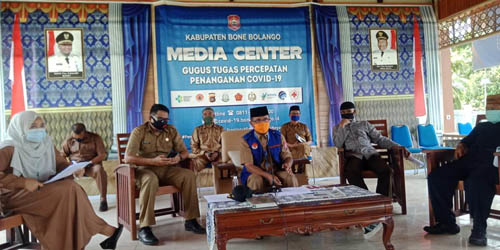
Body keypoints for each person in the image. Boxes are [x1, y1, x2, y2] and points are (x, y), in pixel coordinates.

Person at [0, 111, 122, 250]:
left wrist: (73, 169)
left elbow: (60, 163)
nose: (39, 130)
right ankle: (105, 230)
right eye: (33, 126)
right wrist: (23, 182)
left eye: (42, 125)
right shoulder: (9, 148)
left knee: (72, 191)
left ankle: (94, 235)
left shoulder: (46, 144)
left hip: (41, 190)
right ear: (20, 127)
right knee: (68, 190)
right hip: (15, 196)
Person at [424, 94, 500, 246]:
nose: (489, 111)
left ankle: (479, 228)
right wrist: (461, 145)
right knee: (437, 177)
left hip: (492, 164)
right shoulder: (482, 126)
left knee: (476, 182)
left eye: (494, 108)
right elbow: (466, 141)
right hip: (469, 160)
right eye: (488, 108)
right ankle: (446, 222)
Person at [125, 104, 205, 246]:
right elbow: (128, 158)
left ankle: (191, 220)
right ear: (151, 118)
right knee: (150, 180)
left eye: (166, 120)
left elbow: (184, 152)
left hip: (167, 168)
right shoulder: (139, 132)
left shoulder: (171, 130)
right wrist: (152, 161)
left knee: (188, 175)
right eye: (161, 119)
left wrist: (178, 158)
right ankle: (145, 227)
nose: (164, 122)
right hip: (145, 170)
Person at [332, 101, 410, 238]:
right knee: (351, 172)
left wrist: (399, 146)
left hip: (370, 153)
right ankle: (368, 202)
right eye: (343, 113)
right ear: (340, 113)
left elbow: (380, 139)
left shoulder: (364, 124)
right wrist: (342, 128)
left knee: (386, 171)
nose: (347, 114)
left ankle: (379, 204)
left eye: (349, 111)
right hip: (353, 156)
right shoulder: (337, 127)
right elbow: (338, 144)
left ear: (354, 112)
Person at [240, 106, 298, 193]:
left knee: (290, 177)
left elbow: (288, 156)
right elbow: (249, 166)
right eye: (258, 120)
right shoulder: (246, 139)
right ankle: (259, 205)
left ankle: (294, 202)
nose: (262, 122)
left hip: (276, 170)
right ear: (251, 123)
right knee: (256, 180)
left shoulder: (278, 136)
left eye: (265, 119)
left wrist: (287, 164)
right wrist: (268, 176)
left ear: (269, 120)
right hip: (256, 173)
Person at [61, 123, 108, 211]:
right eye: (75, 137)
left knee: (99, 169)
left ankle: (103, 199)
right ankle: (66, 202)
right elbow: (62, 155)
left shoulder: (95, 138)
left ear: (84, 132)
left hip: (91, 165)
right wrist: (69, 165)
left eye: (79, 138)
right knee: (61, 173)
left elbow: (102, 155)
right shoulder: (69, 140)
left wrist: (89, 163)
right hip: (75, 167)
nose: (77, 139)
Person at [190, 107, 224, 191]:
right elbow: (193, 146)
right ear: (202, 117)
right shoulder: (197, 130)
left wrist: (217, 152)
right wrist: (204, 153)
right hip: (203, 156)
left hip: (218, 155)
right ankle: (197, 189)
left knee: (226, 164)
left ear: (214, 115)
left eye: (210, 114)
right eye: (205, 114)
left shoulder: (221, 129)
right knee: (195, 164)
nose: (207, 116)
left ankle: (223, 188)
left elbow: (225, 145)